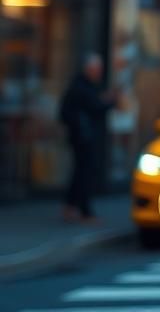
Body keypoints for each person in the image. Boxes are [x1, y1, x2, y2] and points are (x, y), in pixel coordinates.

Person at [59, 52, 116, 223]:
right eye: (97, 69)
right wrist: (109, 102)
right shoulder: (81, 87)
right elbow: (95, 107)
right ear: (89, 69)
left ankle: (71, 206)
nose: (99, 73)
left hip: (84, 135)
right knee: (85, 172)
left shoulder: (85, 85)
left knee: (80, 171)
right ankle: (84, 211)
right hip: (83, 136)